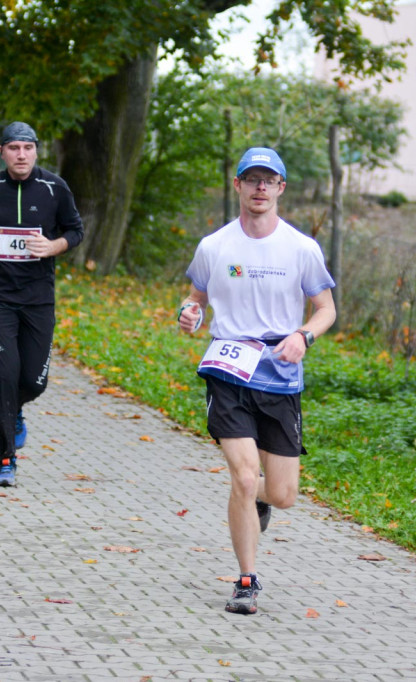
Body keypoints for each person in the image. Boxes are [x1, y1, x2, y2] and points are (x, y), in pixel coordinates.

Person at [177, 147, 336, 615]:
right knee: (245, 478)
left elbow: (326, 309)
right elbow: (195, 299)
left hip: (280, 373)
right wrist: (189, 314)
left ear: (281, 188)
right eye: (252, 179)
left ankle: (254, 500)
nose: (260, 188)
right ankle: (246, 581)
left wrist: (303, 335)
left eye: (269, 180)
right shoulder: (215, 246)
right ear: (239, 186)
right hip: (227, 366)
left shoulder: (301, 248)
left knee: (282, 494)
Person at [0, 121, 84, 487]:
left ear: (36, 150)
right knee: (4, 375)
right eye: (13, 148)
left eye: (27, 148)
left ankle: (17, 407)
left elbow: (75, 230)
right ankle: (6, 458)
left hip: (39, 298)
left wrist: (54, 246)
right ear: (3, 152)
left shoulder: (55, 188)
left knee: (33, 381)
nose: (20, 155)